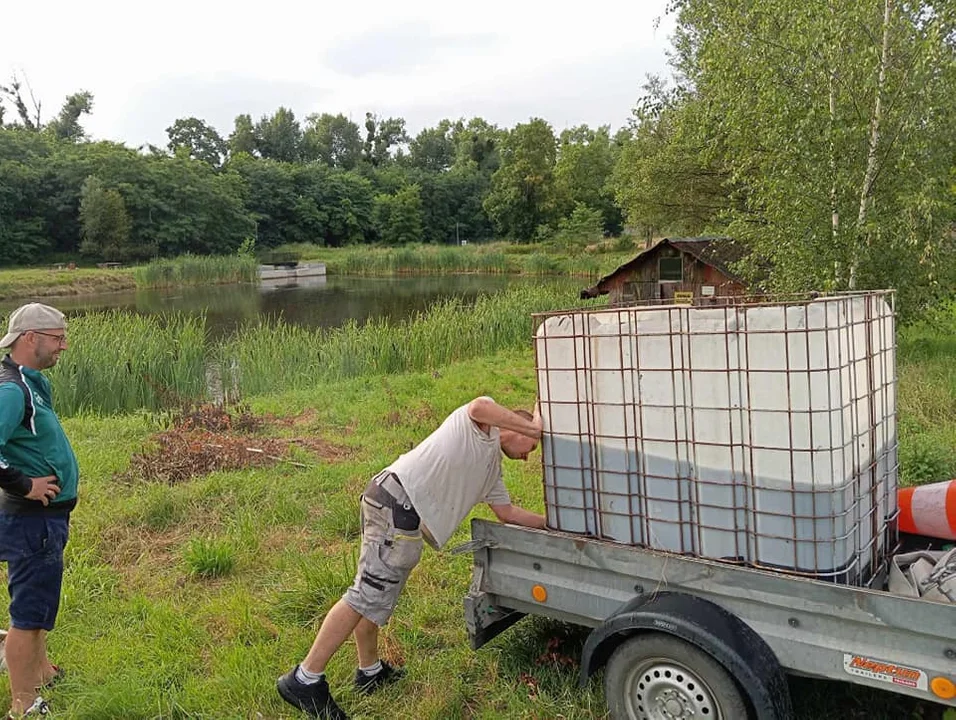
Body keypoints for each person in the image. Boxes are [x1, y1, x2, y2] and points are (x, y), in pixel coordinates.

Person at [277, 396, 546, 719]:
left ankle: (370, 672)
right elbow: (478, 406)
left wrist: (555, 524)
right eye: (533, 447)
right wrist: (535, 424)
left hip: (398, 509)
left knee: (377, 595)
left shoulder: (492, 469)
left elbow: (507, 513)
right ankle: (306, 678)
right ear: (520, 428)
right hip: (396, 504)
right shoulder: (477, 428)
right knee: (365, 595)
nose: (529, 458)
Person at [0, 304, 78, 718]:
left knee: (41, 600)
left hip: (46, 519)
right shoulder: (11, 390)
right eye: (57, 338)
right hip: (33, 521)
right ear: (30, 338)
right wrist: (25, 484)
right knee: (27, 615)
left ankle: (42, 671)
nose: (63, 346)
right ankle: (24, 703)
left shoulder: (30, 381)